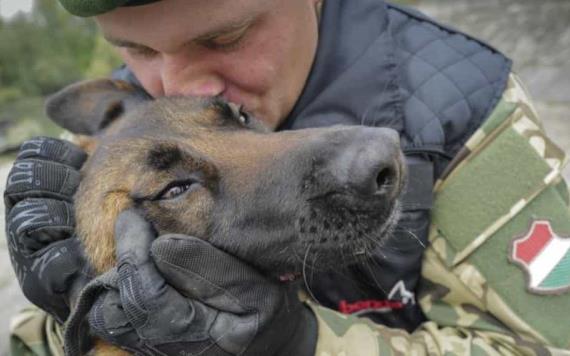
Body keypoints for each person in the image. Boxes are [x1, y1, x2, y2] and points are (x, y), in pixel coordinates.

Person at [5, 0, 570, 355]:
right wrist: (77, 322)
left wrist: (301, 344)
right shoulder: (128, 127)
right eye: (138, 49)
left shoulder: (460, 112)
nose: (177, 86)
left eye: (225, 38)